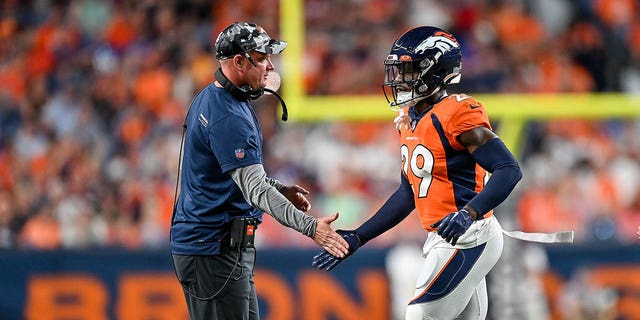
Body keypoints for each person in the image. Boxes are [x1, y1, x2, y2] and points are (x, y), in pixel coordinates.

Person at [313, 26, 523, 319]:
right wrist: (359, 236)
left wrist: (469, 213)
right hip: (446, 237)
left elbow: (508, 169)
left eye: (408, 70)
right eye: (398, 71)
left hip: (468, 236)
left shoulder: (457, 112)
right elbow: (407, 192)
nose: (398, 80)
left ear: (436, 71)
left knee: (420, 316)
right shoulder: (409, 118)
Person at [170, 21, 349, 320]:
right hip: (212, 249)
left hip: (217, 248)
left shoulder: (222, 98)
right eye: (262, 57)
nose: (269, 66)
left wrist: (279, 189)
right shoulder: (228, 115)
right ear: (238, 61)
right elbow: (254, 189)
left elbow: (233, 175)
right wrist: (310, 226)